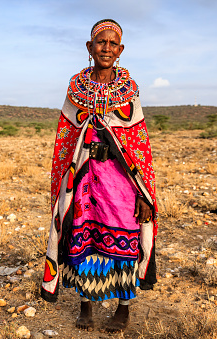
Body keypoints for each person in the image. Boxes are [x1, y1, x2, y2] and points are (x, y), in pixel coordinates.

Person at [41, 19, 158, 333]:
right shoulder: (76, 88)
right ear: (89, 47)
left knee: (125, 239)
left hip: (120, 183)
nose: (106, 48)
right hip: (83, 179)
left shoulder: (128, 91)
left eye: (112, 44)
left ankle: (123, 308)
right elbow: (65, 137)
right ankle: (85, 304)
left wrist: (144, 194)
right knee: (82, 236)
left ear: (120, 50)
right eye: (100, 42)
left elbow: (139, 145)